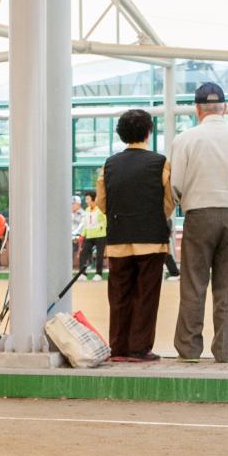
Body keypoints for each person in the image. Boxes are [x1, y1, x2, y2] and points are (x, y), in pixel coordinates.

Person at [169, 82, 228, 362]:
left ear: (197, 109)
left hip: (198, 214)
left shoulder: (185, 139)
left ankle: (189, 349)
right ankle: (225, 350)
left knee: (193, 283)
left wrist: (186, 200)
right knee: (227, 286)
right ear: (224, 108)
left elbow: (175, 184)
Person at [98, 109, 173, 362]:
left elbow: (102, 202)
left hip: (118, 240)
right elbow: (169, 202)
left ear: (121, 133)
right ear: (149, 131)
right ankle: (139, 349)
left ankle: (118, 348)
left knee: (119, 295)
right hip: (151, 239)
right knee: (146, 296)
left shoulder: (109, 164)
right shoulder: (160, 162)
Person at [79, 191, 108, 280]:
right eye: (86, 199)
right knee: (83, 253)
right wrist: (82, 235)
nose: (86, 201)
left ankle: (98, 274)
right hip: (89, 235)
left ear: (93, 199)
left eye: (87, 199)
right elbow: (85, 223)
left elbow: (106, 220)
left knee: (99, 255)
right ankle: (82, 274)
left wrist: (103, 228)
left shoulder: (100, 209)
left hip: (100, 235)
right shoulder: (87, 210)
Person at [70, 195, 85, 266]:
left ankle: (75, 264)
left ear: (78, 204)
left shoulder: (83, 214)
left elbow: (81, 226)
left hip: (78, 236)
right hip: (70, 236)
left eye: (73, 204)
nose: (72, 205)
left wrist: (73, 234)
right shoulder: (69, 213)